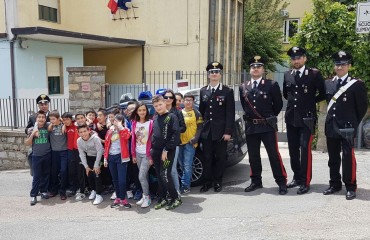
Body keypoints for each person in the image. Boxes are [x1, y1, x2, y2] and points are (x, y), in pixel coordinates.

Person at [323, 51, 368, 200]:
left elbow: (361, 107)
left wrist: (353, 123)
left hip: (347, 127)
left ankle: (350, 186)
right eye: (337, 64)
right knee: (333, 158)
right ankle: (334, 184)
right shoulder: (328, 83)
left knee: (348, 157)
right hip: (331, 126)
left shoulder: (357, 84)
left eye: (343, 64)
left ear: (349, 66)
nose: (340, 67)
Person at [240, 56, 288, 195]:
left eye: (259, 67)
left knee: (273, 155)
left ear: (263, 69)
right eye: (253, 67)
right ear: (250, 70)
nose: (256, 69)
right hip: (251, 126)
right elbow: (244, 106)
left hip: (267, 126)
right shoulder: (244, 86)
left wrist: (268, 117)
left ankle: (281, 182)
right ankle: (256, 181)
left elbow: (278, 105)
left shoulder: (271, 85)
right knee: (253, 156)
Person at [283, 46, 326, 195]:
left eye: (299, 58)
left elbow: (323, 93)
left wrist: (310, 101)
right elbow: (286, 94)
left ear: (305, 58)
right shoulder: (287, 74)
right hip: (291, 118)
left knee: (305, 149)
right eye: (293, 58)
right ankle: (296, 177)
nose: (296, 61)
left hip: (307, 118)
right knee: (293, 150)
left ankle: (305, 181)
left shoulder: (314, 74)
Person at [199, 61, 235, 193]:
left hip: (221, 132)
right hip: (207, 132)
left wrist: (228, 132)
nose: (214, 74)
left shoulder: (227, 91)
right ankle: (207, 182)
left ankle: (218, 181)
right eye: (212, 72)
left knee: (220, 157)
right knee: (207, 157)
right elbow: (201, 113)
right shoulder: (203, 91)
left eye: (217, 72)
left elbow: (230, 113)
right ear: (208, 75)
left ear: (220, 75)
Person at [151, 95, 182, 210]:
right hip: (156, 151)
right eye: (156, 106)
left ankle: (176, 198)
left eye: (160, 104)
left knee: (165, 175)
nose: (158, 107)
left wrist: (166, 149)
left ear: (165, 103)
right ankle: (163, 197)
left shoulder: (171, 117)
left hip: (167, 151)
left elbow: (175, 135)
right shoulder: (155, 118)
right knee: (159, 175)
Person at [104, 114, 132, 208]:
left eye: (118, 121)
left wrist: (120, 127)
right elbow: (107, 145)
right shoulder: (110, 130)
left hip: (121, 157)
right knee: (115, 179)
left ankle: (123, 198)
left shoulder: (125, 130)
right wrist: (105, 158)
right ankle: (118, 198)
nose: (115, 122)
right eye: (115, 120)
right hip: (111, 157)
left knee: (122, 180)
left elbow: (127, 137)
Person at [178, 93, 203, 194]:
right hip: (179, 143)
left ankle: (185, 186)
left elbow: (200, 127)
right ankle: (183, 184)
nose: (188, 102)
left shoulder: (197, 113)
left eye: (190, 100)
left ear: (193, 102)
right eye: (186, 100)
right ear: (183, 101)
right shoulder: (179, 113)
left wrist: (195, 139)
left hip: (190, 143)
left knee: (187, 165)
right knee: (181, 165)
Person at [25, 111, 51, 206]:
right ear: (36, 119)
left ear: (45, 119)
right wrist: (33, 134)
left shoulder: (47, 126)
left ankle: (44, 191)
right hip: (36, 156)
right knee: (36, 176)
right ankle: (33, 194)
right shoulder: (32, 129)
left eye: (43, 117)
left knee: (46, 174)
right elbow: (27, 143)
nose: (41, 119)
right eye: (39, 117)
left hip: (47, 154)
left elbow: (56, 120)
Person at [131, 102, 154, 208]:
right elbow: (133, 140)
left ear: (147, 111)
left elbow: (153, 140)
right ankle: (146, 195)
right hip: (138, 153)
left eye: (144, 110)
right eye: (140, 110)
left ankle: (146, 197)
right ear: (137, 111)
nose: (142, 112)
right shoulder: (134, 123)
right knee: (144, 176)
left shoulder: (151, 123)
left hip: (146, 154)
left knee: (141, 176)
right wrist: (133, 155)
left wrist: (150, 156)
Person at [164, 89, 186, 194]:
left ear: (173, 99)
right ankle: (168, 191)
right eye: (166, 97)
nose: (168, 99)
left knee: (172, 169)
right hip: (162, 146)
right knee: (164, 170)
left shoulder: (177, 112)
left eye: (170, 97)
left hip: (174, 144)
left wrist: (174, 130)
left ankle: (176, 192)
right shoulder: (160, 110)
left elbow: (183, 128)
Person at [77, 124, 104, 205]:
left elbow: (100, 151)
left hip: (99, 156)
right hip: (89, 157)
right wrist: (86, 167)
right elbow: (81, 154)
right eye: (81, 132)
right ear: (78, 133)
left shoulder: (95, 138)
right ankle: (94, 190)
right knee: (89, 174)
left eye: (85, 131)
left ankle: (99, 195)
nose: (83, 134)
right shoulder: (79, 141)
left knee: (96, 174)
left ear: (89, 131)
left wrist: (96, 165)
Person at [25, 94, 51, 175]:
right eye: (41, 104)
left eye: (45, 104)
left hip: (51, 145)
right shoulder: (33, 117)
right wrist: (33, 131)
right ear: (38, 105)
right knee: (31, 157)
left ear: (48, 104)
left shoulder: (53, 115)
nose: (44, 106)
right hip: (38, 145)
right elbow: (26, 129)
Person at [48, 110, 68, 200]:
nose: (52, 120)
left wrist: (63, 123)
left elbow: (73, 118)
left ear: (58, 118)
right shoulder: (50, 126)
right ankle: (54, 190)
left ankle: (63, 192)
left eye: (53, 119)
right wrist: (51, 125)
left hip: (64, 152)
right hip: (54, 152)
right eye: (50, 119)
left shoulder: (64, 125)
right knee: (54, 172)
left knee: (63, 171)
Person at [61, 112, 80, 198]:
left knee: (79, 169)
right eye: (64, 120)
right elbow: (59, 120)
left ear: (71, 119)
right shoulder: (65, 127)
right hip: (70, 151)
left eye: (67, 119)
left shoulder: (76, 126)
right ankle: (73, 188)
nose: (66, 121)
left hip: (79, 150)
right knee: (71, 170)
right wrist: (64, 124)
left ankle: (81, 187)